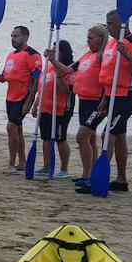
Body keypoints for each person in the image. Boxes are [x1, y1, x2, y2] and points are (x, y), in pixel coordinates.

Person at [78, 11, 132, 193]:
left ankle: (97, 179)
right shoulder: (111, 44)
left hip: (127, 96)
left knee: (107, 135)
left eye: (111, 23)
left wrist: (126, 55)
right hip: (111, 97)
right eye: (107, 23)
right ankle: (121, 180)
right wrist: (104, 99)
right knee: (119, 137)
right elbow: (108, 75)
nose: (108, 27)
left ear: (123, 23)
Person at [53, 24, 106, 185]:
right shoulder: (87, 55)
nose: (87, 41)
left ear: (101, 39)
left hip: (96, 103)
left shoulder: (102, 56)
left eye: (91, 38)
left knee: (81, 137)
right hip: (83, 101)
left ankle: (87, 175)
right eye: (87, 38)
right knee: (90, 139)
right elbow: (67, 70)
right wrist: (52, 60)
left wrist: (104, 101)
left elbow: (107, 81)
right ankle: (90, 173)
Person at [0, 26, 40, 174]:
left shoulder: (32, 55)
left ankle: (11, 164)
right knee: (18, 130)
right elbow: (3, 78)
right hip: (10, 97)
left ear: (25, 37)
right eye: (11, 36)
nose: (13, 39)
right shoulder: (11, 55)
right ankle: (22, 162)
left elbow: (36, 80)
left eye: (16, 36)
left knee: (11, 128)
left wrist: (30, 102)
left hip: (23, 96)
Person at [30, 39, 75, 178]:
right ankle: (46, 166)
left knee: (60, 138)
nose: (53, 53)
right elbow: (42, 87)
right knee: (46, 138)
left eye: (57, 51)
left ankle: (64, 168)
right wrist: (36, 104)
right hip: (46, 107)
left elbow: (64, 91)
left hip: (62, 109)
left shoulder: (69, 68)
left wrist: (59, 74)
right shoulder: (48, 67)